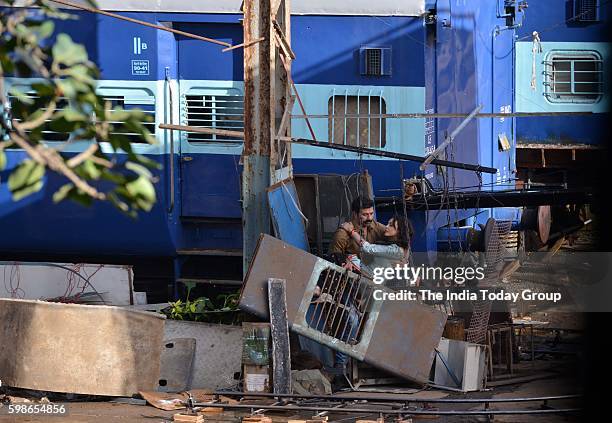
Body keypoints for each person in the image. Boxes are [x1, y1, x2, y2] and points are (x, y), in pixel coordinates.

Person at [340, 214, 415, 288]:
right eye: (388, 224)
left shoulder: (396, 250)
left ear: (399, 231)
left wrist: (351, 231)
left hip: (367, 274)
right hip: (369, 276)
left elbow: (368, 248)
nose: (386, 226)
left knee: (338, 257)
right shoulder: (397, 248)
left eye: (391, 225)